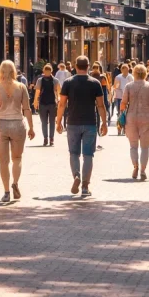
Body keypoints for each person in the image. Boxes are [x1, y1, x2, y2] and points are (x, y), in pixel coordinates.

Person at [56, 56, 108, 197]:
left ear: (75, 66)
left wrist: (58, 120)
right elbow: (101, 105)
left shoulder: (68, 83)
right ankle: (85, 186)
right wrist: (104, 122)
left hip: (72, 122)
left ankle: (76, 176)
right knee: (88, 155)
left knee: (73, 153)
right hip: (90, 123)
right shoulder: (95, 83)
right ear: (88, 66)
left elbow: (62, 104)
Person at [0, 60, 35, 202]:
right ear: (13, 71)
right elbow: (27, 109)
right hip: (18, 124)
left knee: (3, 161)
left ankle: (6, 192)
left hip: (1, 124)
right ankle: (15, 183)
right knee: (17, 158)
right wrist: (31, 128)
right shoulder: (21, 86)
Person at [33, 63, 60, 146]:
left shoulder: (40, 80)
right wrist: (58, 101)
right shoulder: (55, 80)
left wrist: (35, 102)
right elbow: (58, 92)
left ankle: (47, 138)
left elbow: (37, 92)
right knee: (50, 122)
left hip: (44, 103)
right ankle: (50, 138)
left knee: (44, 122)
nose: (47, 73)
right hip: (51, 103)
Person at [112, 64, 134, 135]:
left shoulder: (130, 77)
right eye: (124, 70)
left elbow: (133, 86)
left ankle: (125, 128)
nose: (125, 71)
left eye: (127, 70)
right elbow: (115, 87)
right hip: (119, 97)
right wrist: (117, 86)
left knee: (127, 114)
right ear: (121, 70)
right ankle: (119, 128)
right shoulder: (118, 77)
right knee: (120, 113)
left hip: (128, 98)